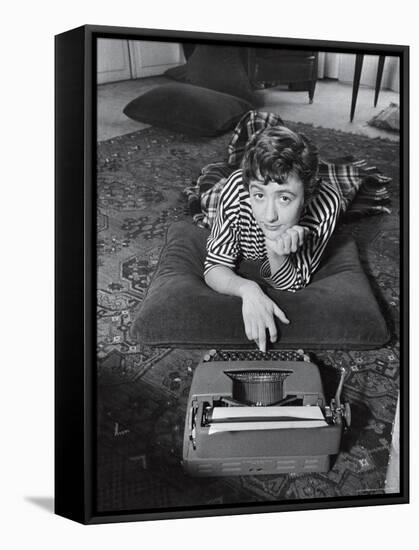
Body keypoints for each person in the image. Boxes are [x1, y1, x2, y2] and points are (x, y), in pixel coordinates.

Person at [204, 125, 341, 352]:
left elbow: (293, 284)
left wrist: (275, 253)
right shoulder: (236, 188)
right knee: (206, 197)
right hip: (225, 197)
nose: (269, 215)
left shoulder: (326, 204)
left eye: (284, 198)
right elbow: (214, 266)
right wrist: (247, 290)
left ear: (307, 197)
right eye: (258, 195)